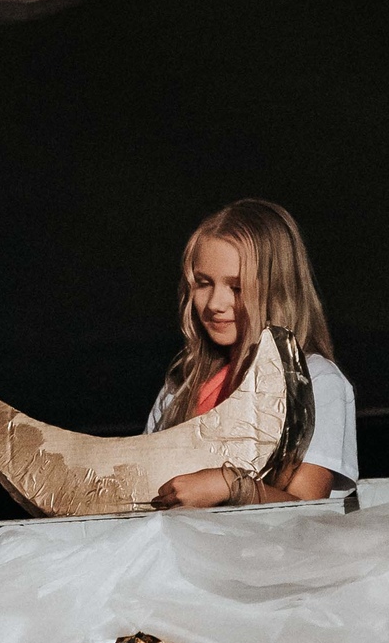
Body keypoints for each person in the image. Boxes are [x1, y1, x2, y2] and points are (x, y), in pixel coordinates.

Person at [146, 198, 358, 508]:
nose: (215, 304)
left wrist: (233, 487)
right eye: (203, 283)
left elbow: (308, 509)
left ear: (277, 289)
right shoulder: (182, 385)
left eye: (236, 287)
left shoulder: (317, 381)